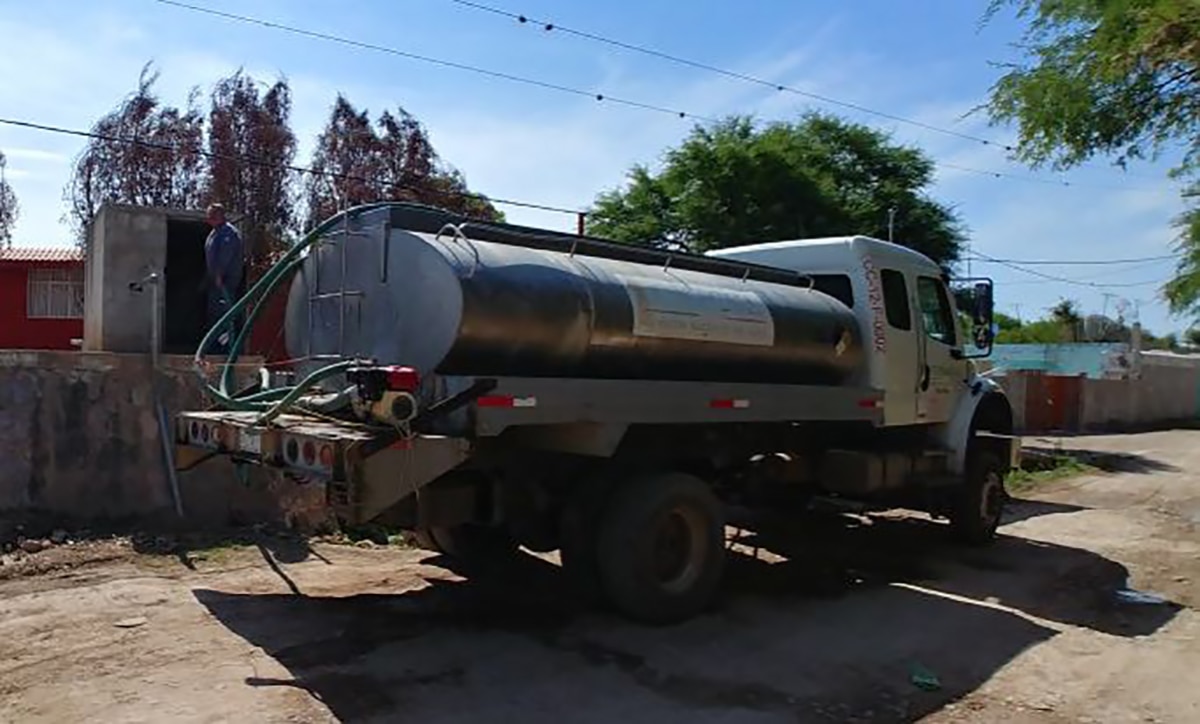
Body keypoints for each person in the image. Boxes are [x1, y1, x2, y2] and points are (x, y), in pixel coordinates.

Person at [203, 203, 244, 355]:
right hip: (216, 282)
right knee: (214, 314)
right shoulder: (215, 233)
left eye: (212, 215)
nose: (208, 219)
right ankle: (214, 346)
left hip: (226, 281)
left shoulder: (228, 233)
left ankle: (224, 349)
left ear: (220, 216)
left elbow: (225, 255)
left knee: (223, 314)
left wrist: (219, 274)